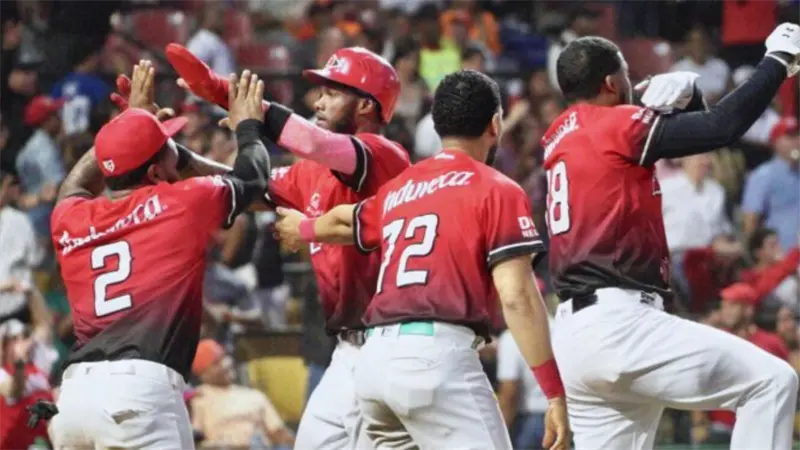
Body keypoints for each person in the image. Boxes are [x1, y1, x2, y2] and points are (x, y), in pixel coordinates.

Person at [274, 69, 570, 450]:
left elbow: (347, 220)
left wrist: (305, 229)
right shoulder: (496, 187)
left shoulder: (402, 187)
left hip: (374, 363)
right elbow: (516, 296)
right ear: (495, 124)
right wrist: (554, 393)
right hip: (437, 358)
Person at [542, 25, 800, 449]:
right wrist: (776, 61)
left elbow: (682, 135)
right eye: (625, 76)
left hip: (576, 337)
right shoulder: (615, 123)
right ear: (610, 82)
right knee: (771, 382)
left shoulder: (556, 137)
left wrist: (685, 105)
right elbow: (723, 127)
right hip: (623, 323)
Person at [167, 44, 411, 449]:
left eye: (333, 92)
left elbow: (312, 141)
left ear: (367, 105)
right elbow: (241, 185)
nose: (319, 100)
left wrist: (220, 91)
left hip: (392, 344)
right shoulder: (311, 173)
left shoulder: (384, 154)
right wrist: (165, 152)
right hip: (349, 349)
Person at [47, 61, 271, 449]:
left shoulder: (70, 217)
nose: (177, 151)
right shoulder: (184, 199)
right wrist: (248, 127)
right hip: (138, 397)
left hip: (74, 401)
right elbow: (254, 178)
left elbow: (75, 183)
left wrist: (127, 126)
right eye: (170, 148)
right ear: (154, 173)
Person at [190, 339, 295, 449]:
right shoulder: (198, 398)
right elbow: (194, 440)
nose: (225, 364)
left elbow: (279, 433)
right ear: (203, 374)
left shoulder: (255, 396)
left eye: (224, 358)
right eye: (216, 363)